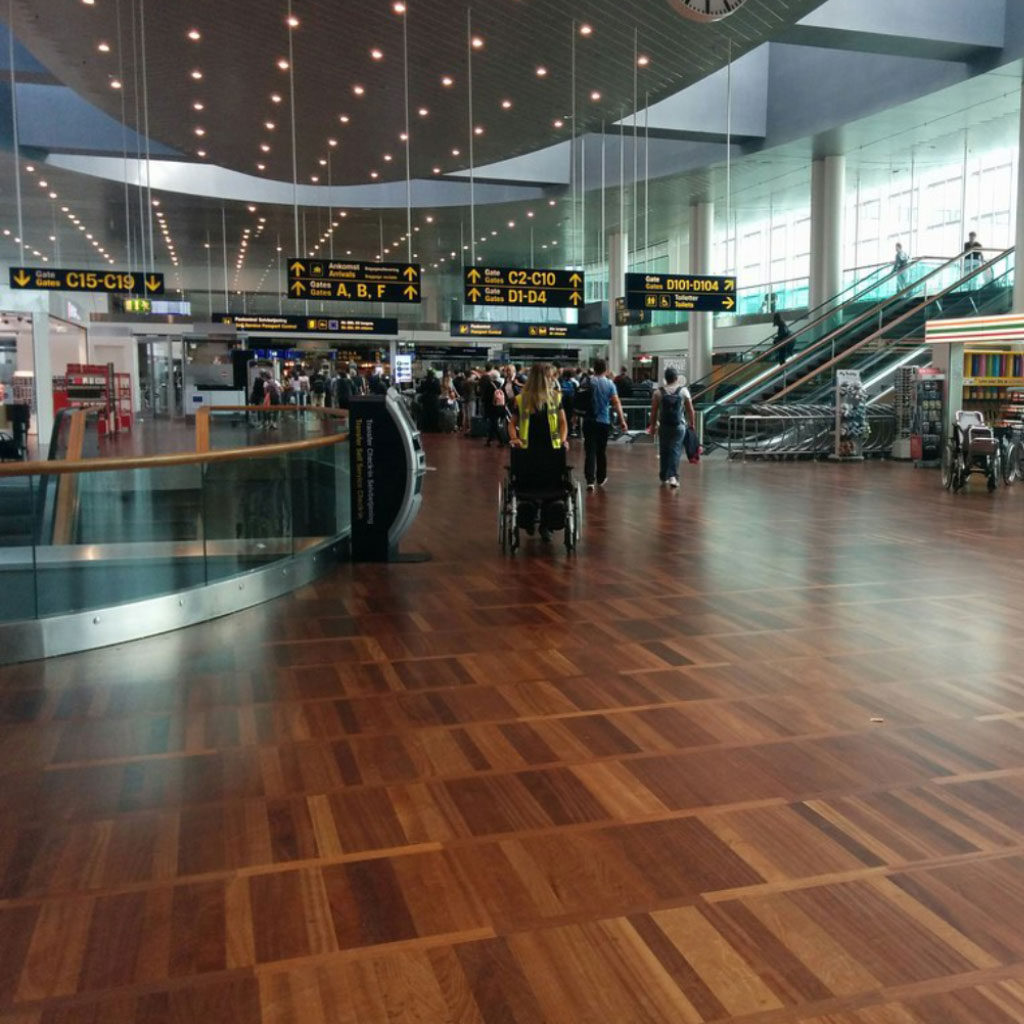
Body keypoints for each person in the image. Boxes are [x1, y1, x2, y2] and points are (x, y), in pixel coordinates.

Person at [508, 362, 569, 542]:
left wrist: (563, 439)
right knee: (542, 484)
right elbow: (512, 423)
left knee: (544, 484)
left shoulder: (555, 398)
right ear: (544, 378)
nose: (553, 379)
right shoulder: (521, 399)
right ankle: (538, 519)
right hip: (534, 450)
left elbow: (563, 423)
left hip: (545, 450)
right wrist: (514, 438)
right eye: (550, 376)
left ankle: (543, 521)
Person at [581, 357, 627, 491]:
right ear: (606, 370)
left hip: (589, 420)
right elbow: (616, 402)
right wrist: (622, 420)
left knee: (590, 450)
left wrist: (574, 417)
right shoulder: (610, 384)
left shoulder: (586, 381)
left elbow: (580, 399)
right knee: (601, 451)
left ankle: (590, 480)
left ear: (593, 369)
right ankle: (601, 478)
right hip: (603, 421)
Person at [648, 367, 695, 489]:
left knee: (664, 450)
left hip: (663, 426)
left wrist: (652, 426)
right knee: (675, 450)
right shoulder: (683, 391)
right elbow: (690, 410)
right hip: (679, 426)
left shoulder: (658, 392)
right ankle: (673, 476)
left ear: (665, 378)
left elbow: (653, 411)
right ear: (676, 378)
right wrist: (692, 424)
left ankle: (664, 474)